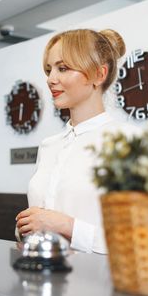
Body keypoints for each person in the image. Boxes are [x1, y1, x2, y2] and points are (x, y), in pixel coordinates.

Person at [15, 28, 135, 254]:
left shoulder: (127, 141)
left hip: (96, 285)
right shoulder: (49, 146)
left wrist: (65, 225)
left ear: (99, 75)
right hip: (41, 276)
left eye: (63, 68)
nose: (51, 79)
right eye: (49, 70)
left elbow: (137, 240)